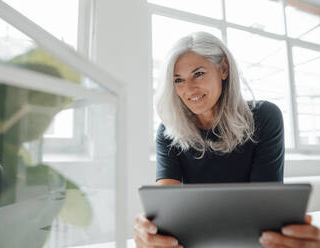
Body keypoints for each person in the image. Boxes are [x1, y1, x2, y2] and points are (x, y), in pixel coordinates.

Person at [134, 32, 320, 248]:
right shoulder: (169, 131)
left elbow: (264, 209)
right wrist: (152, 232)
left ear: (223, 69)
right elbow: (165, 210)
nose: (189, 89)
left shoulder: (264, 117)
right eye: (178, 80)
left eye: (199, 73)